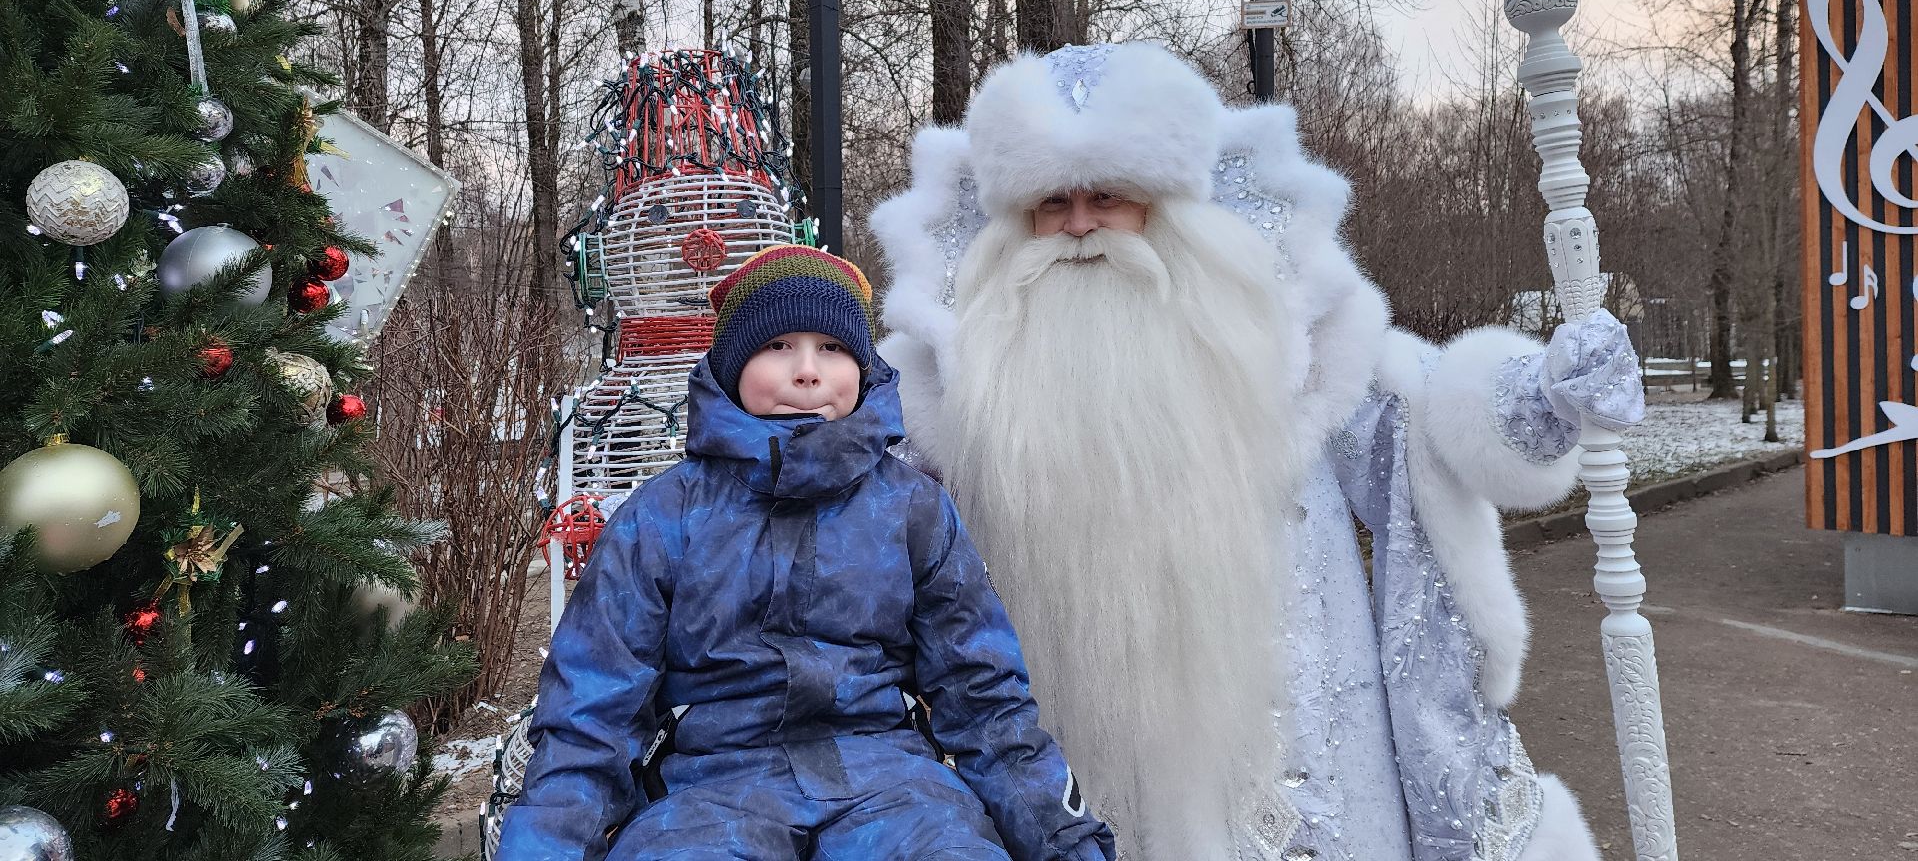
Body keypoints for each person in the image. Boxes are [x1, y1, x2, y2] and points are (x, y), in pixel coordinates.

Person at [871, 42, 1643, 860]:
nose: (1080, 225)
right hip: (1063, 771)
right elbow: (853, 507)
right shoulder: (946, 375)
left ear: (1165, 206)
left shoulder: (1290, 338)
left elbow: (1422, 427)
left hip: (1296, 754)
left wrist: (1545, 394)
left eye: (1108, 196)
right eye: (1051, 202)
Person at [494, 245, 1114, 861]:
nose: (808, 370)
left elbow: (984, 696)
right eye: (778, 346)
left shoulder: (911, 510)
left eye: (833, 348)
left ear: (863, 366)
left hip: (891, 785)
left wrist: (1066, 843)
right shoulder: (662, 517)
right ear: (732, 366)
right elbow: (590, 711)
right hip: (711, 790)